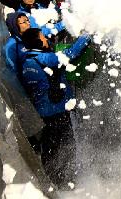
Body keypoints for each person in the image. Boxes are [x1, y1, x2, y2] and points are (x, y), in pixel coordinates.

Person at [20, 28, 91, 186]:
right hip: (56, 110)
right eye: (42, 37)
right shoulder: (44, 58)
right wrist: (86, 35)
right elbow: (71, 53)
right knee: (66, 144)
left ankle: (51, 179)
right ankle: (66, 181)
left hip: (42, 112)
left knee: (50, 146)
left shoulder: (27, 62)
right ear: (37, 42)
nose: (45, 39)